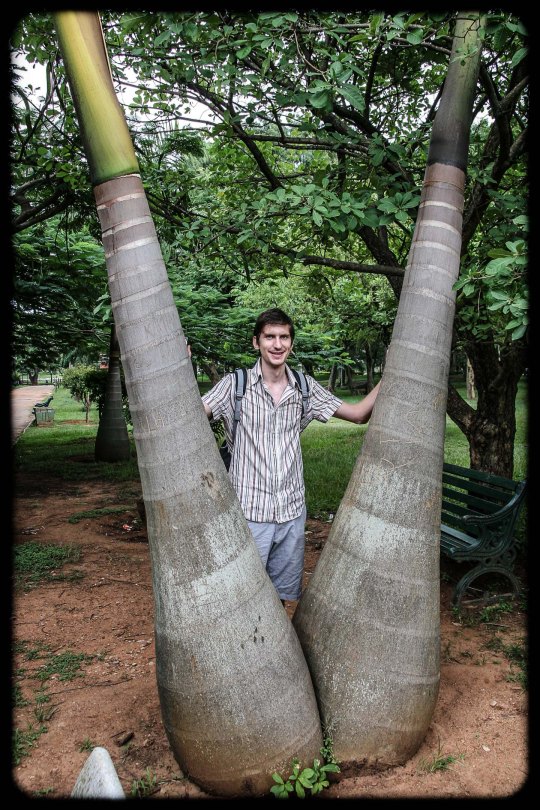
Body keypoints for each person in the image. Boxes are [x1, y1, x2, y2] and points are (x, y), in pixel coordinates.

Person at [201, 308, 380, 605]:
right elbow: (193, 415)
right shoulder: (235, 386)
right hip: (248, 515)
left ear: (291, 343)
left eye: (284, 337)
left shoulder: (304, 387)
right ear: (256, 342)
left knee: (280, 599)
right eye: (269, 337)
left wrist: (394, 370)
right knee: (245, 599)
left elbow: (359, 414)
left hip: (291, 515)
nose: (277, 344)